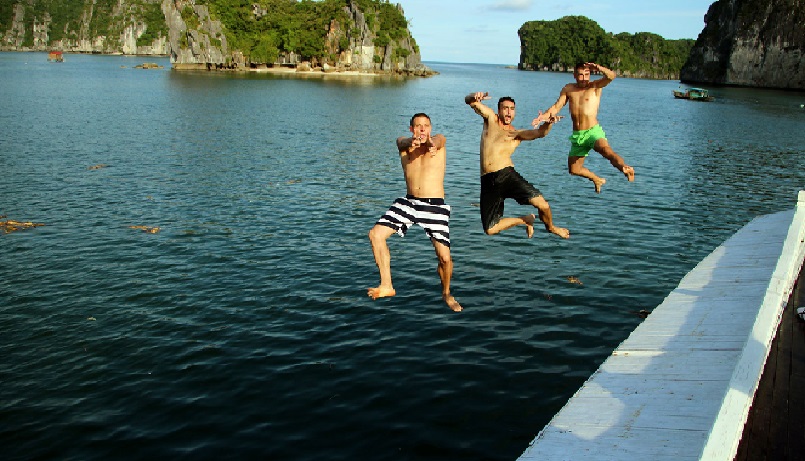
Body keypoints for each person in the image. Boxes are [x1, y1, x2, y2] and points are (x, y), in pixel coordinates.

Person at [367, 113, 463, 312]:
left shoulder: (439, 142)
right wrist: (411, 141)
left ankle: (446, 293)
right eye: (418, 126)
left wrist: (431, 142)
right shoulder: (404, 146)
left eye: (426, 126)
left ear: (430, 127)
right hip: (409, 202)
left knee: (445, 258)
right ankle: (387, 285)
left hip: (435, 206)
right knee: (375, 234)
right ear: (411, 129)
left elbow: (438, 139)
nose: (422, 129)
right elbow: (400, 141)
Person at [464, 91, 569, 239]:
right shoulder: (491, 120)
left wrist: (548, 123)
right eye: (505, 108)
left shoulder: (516, 134)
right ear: (499, 110)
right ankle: (525, 220)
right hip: (488, 181)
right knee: (490, 229)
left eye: (512, 109)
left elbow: (540, 133)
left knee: (543, 205)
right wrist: (474, 96)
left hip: (507, 176)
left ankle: (551, 227)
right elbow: (470, 102)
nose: (508, 112)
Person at [534, 62, 635, 193]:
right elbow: (556, 107)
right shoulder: (568, 89)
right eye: (580, 75)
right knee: (574, 169)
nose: (584, 78)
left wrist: (597, 67)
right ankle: (596, 179)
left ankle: (624, 167)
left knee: (606, 150)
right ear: (574, 75)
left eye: (587, 74)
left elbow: (611, 76)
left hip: (593, 131)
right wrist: (543, 117)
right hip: (578, 135)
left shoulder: (595, 86)